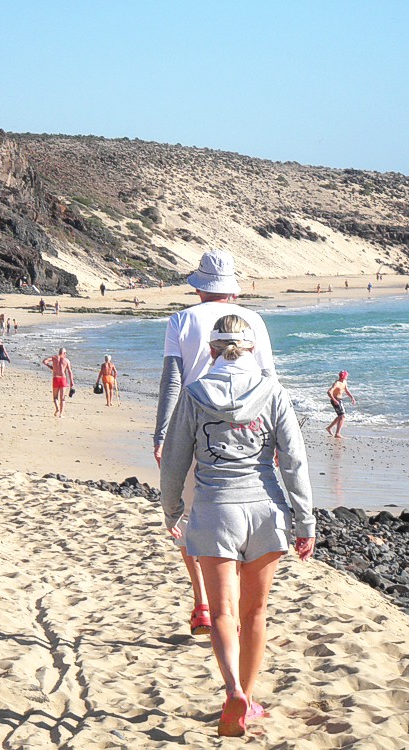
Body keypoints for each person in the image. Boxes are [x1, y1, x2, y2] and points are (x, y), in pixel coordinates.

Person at [160, 314, 315, 737]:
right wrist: (306, 521)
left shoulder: (194, 394)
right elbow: (295, 461)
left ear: (211, 351)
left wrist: (171, 509)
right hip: (265, 510)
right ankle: (249, 696)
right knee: (256, 610)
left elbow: (174, 460)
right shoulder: (273, 392)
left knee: (224, 611)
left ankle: (232, 690)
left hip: (214, 510)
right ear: (250, 350)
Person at [153, 249, 277, 637]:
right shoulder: (254, 320)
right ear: (231, 290)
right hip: (249, 428)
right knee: (243, 512)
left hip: (193, 426)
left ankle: (204, 603)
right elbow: (268, 378)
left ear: (199, 287)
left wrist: (162, 435)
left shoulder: (181, 320)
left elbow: (173, 381)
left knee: (193, 521)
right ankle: (234, 607)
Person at [42, 348, 74, 417]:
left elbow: (44, 361)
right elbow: (70, 372)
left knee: (55, 397)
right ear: (64, 353)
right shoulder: (66, 360)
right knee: (62, 398)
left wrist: (50, 366)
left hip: (55, 378)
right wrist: (72, 382)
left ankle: (57, 409)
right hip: (63, 379)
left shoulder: (54, 358)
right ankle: (61, 414)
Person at [326, 370, 356, 437]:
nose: (347, 377)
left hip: (340, 400)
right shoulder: (337, 383)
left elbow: (346, 390)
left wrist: (352, 397)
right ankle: (337, 433)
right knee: (342, 416)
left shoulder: (344, 382)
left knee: (340, 416)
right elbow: (329, 392)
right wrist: (334, 400)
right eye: (346, 375)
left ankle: (329, 428)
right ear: (343, 376)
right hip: (335, 400)